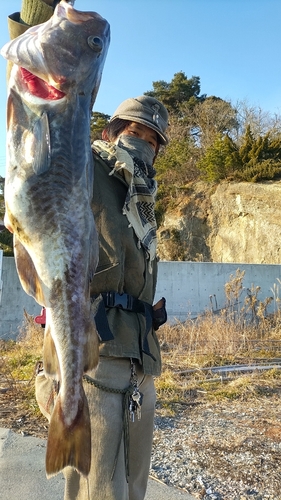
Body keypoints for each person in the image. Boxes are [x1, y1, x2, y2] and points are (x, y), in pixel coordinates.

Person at [7, 1, 169, 499]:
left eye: (153, 139)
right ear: (110, 132)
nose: (143, 143)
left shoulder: (146, 202)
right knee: (96, 491)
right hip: (93, 362)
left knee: (133, 488)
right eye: (134, 131)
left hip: (142, 364)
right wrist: (34, 28)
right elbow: (46, 135)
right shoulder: (88, 168)